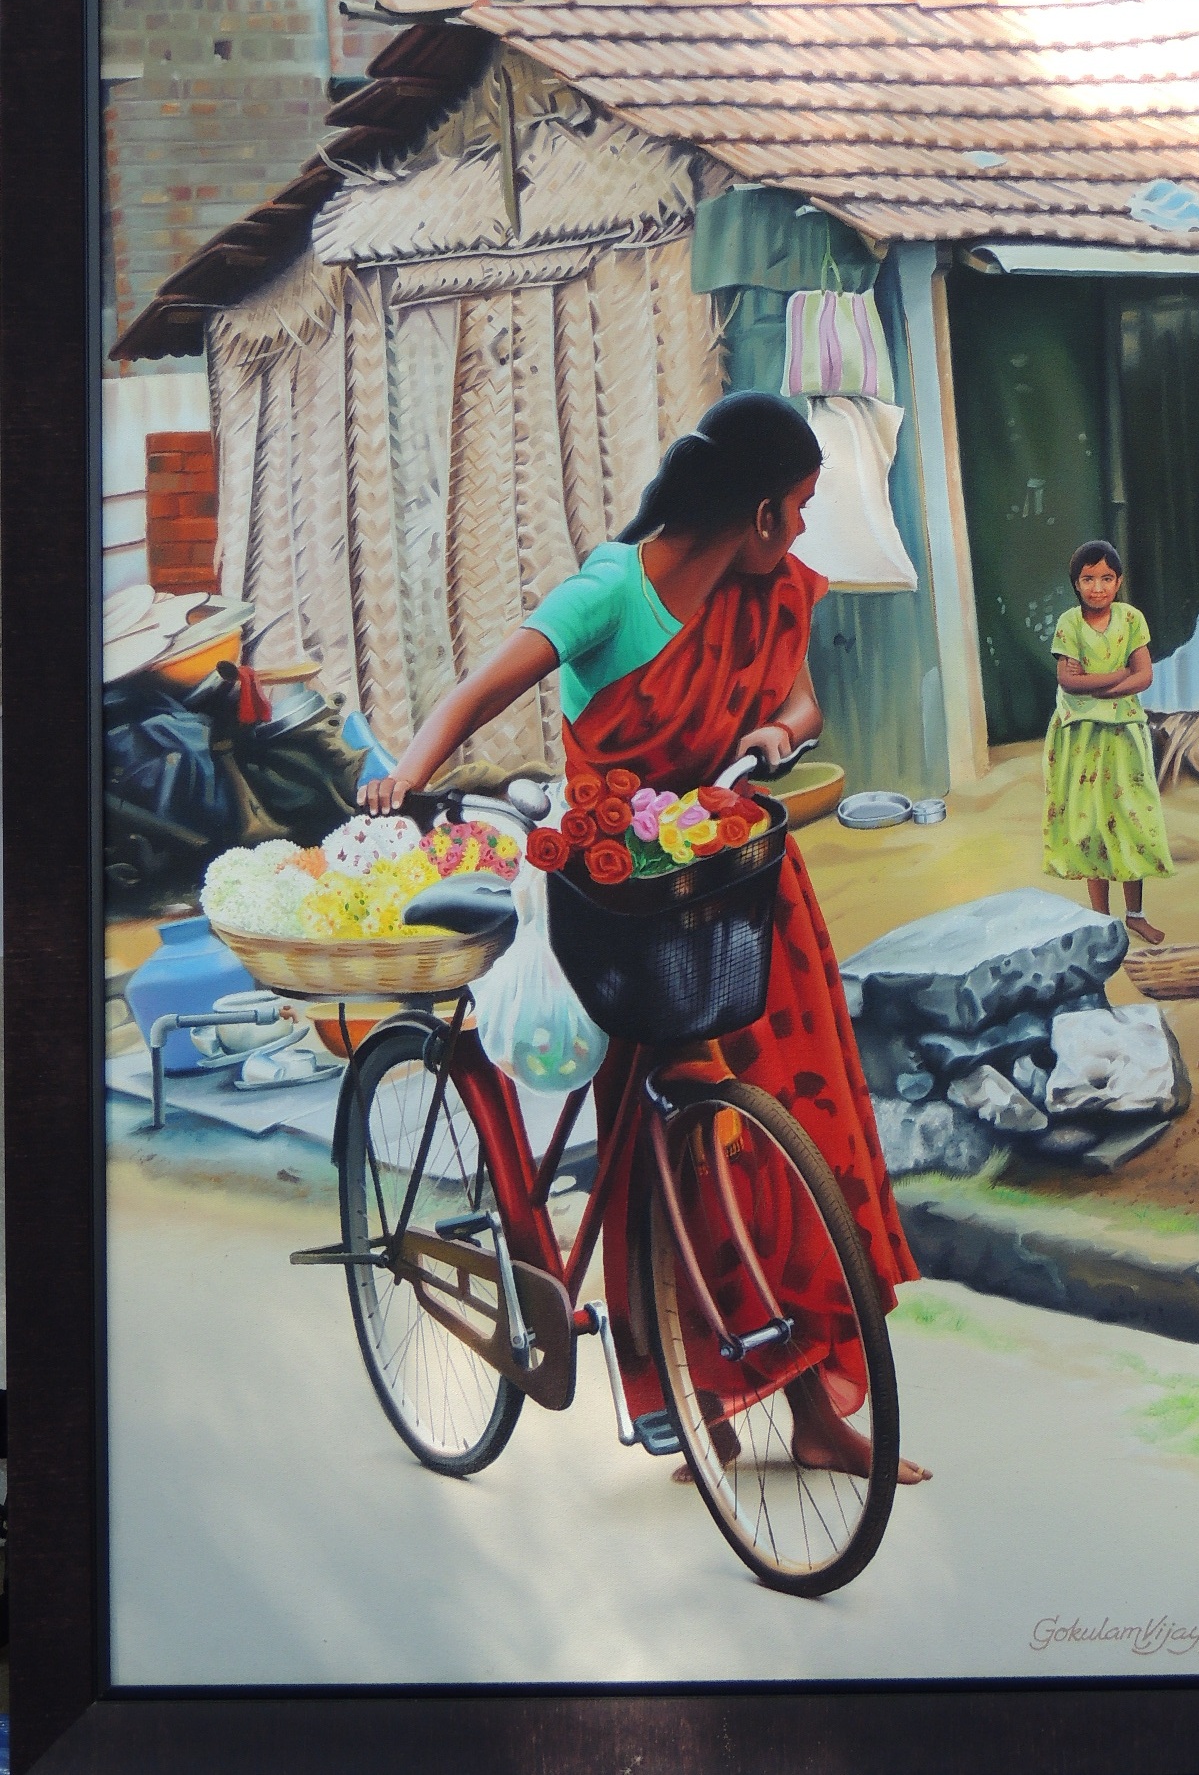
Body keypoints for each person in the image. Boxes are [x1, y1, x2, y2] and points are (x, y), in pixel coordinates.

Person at [361, 389, 929, 1485]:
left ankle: (815, 1413)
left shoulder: (768, 591)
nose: (803, 529)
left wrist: (775, 733)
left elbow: (802, 704)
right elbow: (481, 689)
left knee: (803, 1144)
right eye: (800, 507)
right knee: (680, 1159)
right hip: (630, 904)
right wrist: (406, 776)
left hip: (743, 887)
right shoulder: (612, 591)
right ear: (759, 513)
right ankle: (699, 1404)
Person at [1043, 539, 1174, 943]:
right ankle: (1101, 919)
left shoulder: (1131, 619)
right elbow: (1068, 681)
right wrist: (1119, 675)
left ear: (1118, 582)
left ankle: (1135, 914)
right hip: (1080, 735)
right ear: (1076, 583)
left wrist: (1097, 685)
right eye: (1088, 579)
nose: (1097, 587)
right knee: (1090, 824)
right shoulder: (1069, 623)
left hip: (1124, 732)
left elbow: (1144, 675)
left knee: (1131, 818)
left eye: (1106, 578)